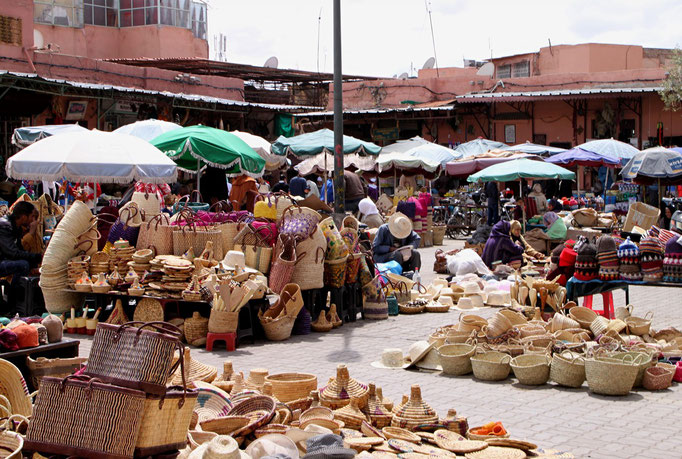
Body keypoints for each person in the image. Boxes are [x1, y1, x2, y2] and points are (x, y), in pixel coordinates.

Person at [0, 202, 42, 305]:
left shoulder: (16, 227)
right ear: (23, 216)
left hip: (5, 260)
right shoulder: (4, 225)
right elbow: (12, 253)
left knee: (28, 264)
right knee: (23, 265)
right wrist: (36, 257)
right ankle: (14, 302)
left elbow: (20, 250)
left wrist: (35, 263)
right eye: (32, 217)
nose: (33, 220)